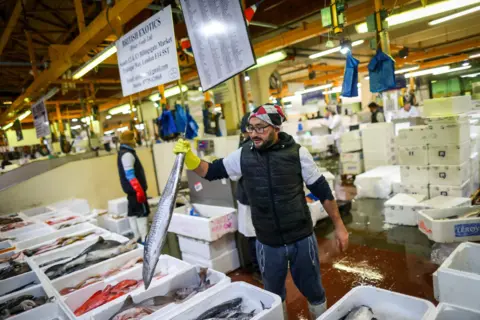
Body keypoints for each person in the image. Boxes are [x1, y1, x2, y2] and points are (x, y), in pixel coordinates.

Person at [173, 104, 349, 319]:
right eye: (250, 128)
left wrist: (339, 226)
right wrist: (190, 157)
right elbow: (212, 171)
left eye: (260, 128)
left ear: (276, 128)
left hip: (301, 238)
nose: (253, 134)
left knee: (313, 290)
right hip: (267, 241)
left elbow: (323, 191)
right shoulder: (243, 155)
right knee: (273, 295)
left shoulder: (297, 153)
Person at [237, 114, 261, 283]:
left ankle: (259, 271)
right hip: (262, 198)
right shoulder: (264, 145)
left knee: (253, 236)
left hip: (249, 198)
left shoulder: (244, 149)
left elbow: (233, 173)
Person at [117, 130, 149, 242]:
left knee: (133, 214)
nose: (135, 140)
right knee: (141, 214)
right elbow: (130, 175)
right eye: (134, 138)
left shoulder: (123, 152)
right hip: (136, 191)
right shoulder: (128, 154)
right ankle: (145, 239)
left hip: (131, 192)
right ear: (130, 140)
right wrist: (139, 191)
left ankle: (137, 237)